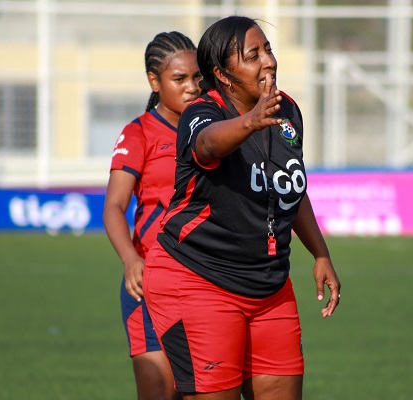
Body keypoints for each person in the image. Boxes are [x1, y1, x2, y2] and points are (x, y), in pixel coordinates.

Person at [142, 16, 341, 400]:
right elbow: (207, 146)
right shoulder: (202, 112)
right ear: (223, 74)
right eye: (253, 55)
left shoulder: (288, 113)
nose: (268, 61)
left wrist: (320, 253)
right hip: (198, 278)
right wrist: (250, 122)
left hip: (269, 285)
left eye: (267, 49)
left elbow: (288, 188)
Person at [103, 31, 201, 400]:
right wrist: (130, 260)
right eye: (180, 79)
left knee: (202, 391)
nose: (192, 87)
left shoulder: (215, 129)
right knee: (161, 392)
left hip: (206, 279)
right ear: (154, 82)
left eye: (197, 77)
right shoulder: (139, 132)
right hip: (151, 281)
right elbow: (114, 206)